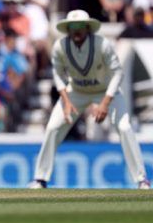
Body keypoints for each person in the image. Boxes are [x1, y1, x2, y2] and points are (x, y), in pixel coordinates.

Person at [28, 10, 150, 190]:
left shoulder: (102, 45)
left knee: (124, 128)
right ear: (68, 29)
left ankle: (142, 180)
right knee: (53, 127)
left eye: (79, 27)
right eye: (72, 27)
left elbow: (118, 73)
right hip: (76, 91)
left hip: (106, 91)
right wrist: (67, 102)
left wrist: (105, 103)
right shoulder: (60, 47)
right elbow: (58, 74)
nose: (76, 31)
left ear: (87, 28)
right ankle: (40, 179)